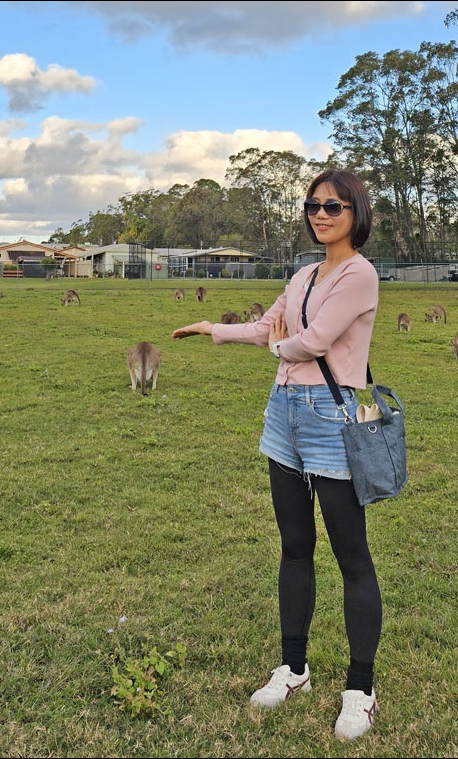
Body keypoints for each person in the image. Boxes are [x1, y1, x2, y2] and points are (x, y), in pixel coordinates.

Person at [172, 169, 382, 741]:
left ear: (355, 213)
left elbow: (312, 341)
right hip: (283, 417)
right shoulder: (304, 273)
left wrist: (279, 340)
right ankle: (294, 670)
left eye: (333, 207)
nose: (321, 214)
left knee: (352, 558)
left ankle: (360, 689)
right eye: (313, 205)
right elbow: (273, 326)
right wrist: (214, 328)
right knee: (294, 548)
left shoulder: (360, 275)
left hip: (328, 420)